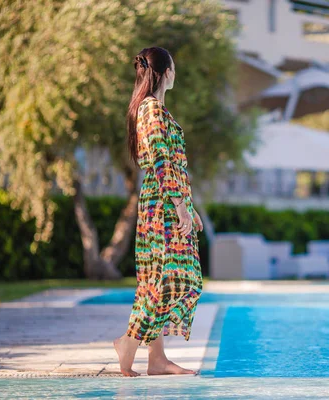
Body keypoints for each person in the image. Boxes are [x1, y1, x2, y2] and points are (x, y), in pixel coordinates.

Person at [114, 46, 204, 377]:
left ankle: (156, 358)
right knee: (175, 278)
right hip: (162, 206)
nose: (176, 74)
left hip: (169, 202)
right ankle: (130, 342)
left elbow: (174, 167)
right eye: (174, 68)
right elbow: (161, 161)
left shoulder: (156, 110)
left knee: (163, 278)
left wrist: (188, 208)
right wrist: (179, 207)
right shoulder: (151, 109)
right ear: (165, 73)